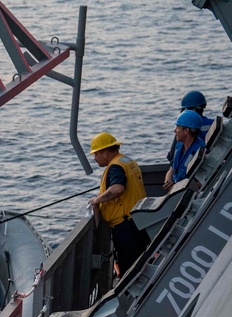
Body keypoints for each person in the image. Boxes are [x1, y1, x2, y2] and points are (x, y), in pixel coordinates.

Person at [87, 132, 149, 277]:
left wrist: (96, 200)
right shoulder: (127, 161)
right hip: (137, 220)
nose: (95, 158)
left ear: (106, 153)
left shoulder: (115, 167)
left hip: (125, 225)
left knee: (131, 267)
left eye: (96, 154)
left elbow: (118, 188)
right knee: (141, 261)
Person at [166, 90, 214, 164]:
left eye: (184, 110)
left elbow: (172, 156)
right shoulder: (213, 124)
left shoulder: (187, 127)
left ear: (193, 110)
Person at [163, 110, 207, 190]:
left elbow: (204, 181)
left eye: (177, 127)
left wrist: (178, 188)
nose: (174, 130)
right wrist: (168, 181)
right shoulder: (179, 145)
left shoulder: (200, 151)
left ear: (186, 131)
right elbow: (172, 169)